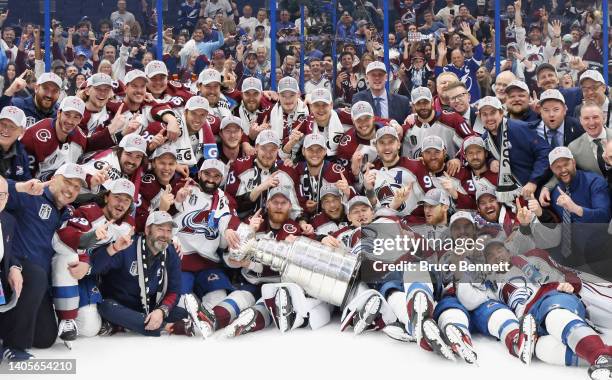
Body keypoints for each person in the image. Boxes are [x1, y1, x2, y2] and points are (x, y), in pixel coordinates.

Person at [0, 163, 86, 359]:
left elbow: (78, 241)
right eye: (67, 182)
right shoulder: (32, 194)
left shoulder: (68, 214)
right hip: (12, 271)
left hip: (38, 284)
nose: (71, 189)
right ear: (54, 179)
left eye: (76, 187)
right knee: (36, 275)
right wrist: (21, 187)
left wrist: (85, 262)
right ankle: (14, 347)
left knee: (45, 338)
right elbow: (2, 189)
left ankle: (6, 329)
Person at [90, 211, 193, 337]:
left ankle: (127, 324)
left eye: (168, 231)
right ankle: (165, 327)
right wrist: (114, 249)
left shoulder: (172, 253)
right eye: (160, 229)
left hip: (149, 306)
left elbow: (174, 291)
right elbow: (95, 268)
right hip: (119, 303)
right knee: (106, 308)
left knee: (181, 313)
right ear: (147, 230)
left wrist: (161, 311)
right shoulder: (127, 246)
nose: (165, 235)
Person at [477, 96, 551, 200]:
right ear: (480, 117)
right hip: (514, 194)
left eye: (493, 113)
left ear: (501, 113)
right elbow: (487, 156)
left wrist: (533, 182)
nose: (489, 118)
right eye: (485, 114)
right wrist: (491, 161)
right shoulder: (484, 139)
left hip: (538, 188)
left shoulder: (519, 128)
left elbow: (544, 153)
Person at [0, 106, 31, 181]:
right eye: (2, 124)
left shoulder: (21, 153)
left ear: (22, 132)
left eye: (12, 127)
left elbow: (26, 180)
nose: (6, 129)